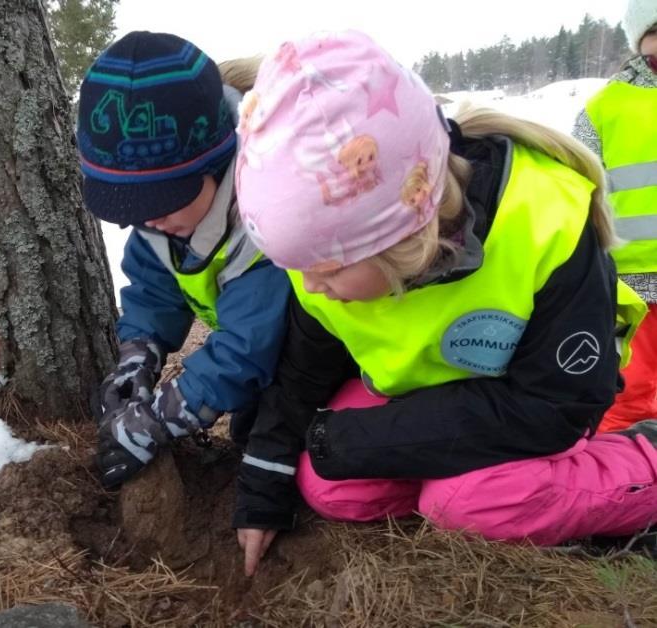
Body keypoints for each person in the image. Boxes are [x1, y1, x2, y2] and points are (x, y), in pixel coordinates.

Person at [227, 30, 652, 577]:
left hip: (540, 406)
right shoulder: (327, 267)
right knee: (328, 484)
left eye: (326, 269)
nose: (309, 287)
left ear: (400, 239)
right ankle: (463, 484)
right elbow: (298, 380)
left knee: (469, 502)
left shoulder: (543, 221)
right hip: (436, 399)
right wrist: (262, 489)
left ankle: (640, 469)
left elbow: (557, 407)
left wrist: (358, 439)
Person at [76, 32, 290, 488]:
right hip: (269, 360)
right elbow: (153, 287)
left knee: (263, 434)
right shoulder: (162, 221)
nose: (151, 219)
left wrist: (163, 417)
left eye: (165, 199)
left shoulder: (268, 221)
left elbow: (250, 346)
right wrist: (138, 357)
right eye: (133, 207)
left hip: (319, 361)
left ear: (217, 164)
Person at [573, 0, 657, 433]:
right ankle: (627, 470)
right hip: (633, 280)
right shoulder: (605, 107)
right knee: (630, 389)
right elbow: (574, 183)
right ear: (640, 39)